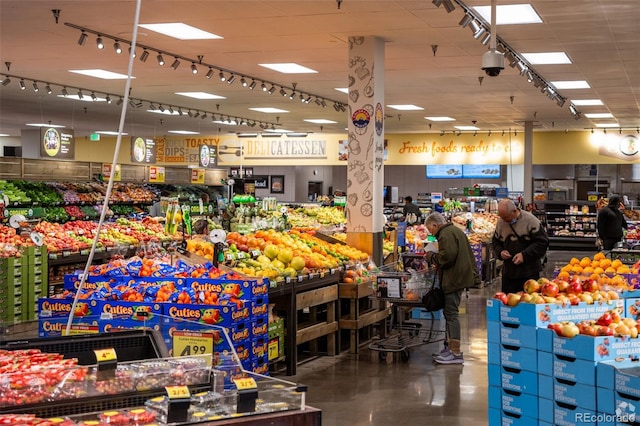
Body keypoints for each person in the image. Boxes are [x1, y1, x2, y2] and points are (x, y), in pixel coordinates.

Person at [424, 212, 480, 365]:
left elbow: (446, 257)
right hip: (459, 277)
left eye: (431, 230)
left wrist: (430, 256)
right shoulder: (455, 231)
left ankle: (455, 353)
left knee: (451, 314)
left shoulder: (445, 235)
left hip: (454, 279)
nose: (431, 234)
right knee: (450, 313)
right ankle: (450, 349)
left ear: (435, 225)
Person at [492, 199, 549, 294]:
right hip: (508, 274)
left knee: (528, 304)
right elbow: (495, 241)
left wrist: (524, 255)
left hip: (529, 273)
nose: (504, 221)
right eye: (502, 218)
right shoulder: (501, 223)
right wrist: (500, 252)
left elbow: (542, 242)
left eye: (506, 217)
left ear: (514, 211)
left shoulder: (531, 221)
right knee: (508, 304)